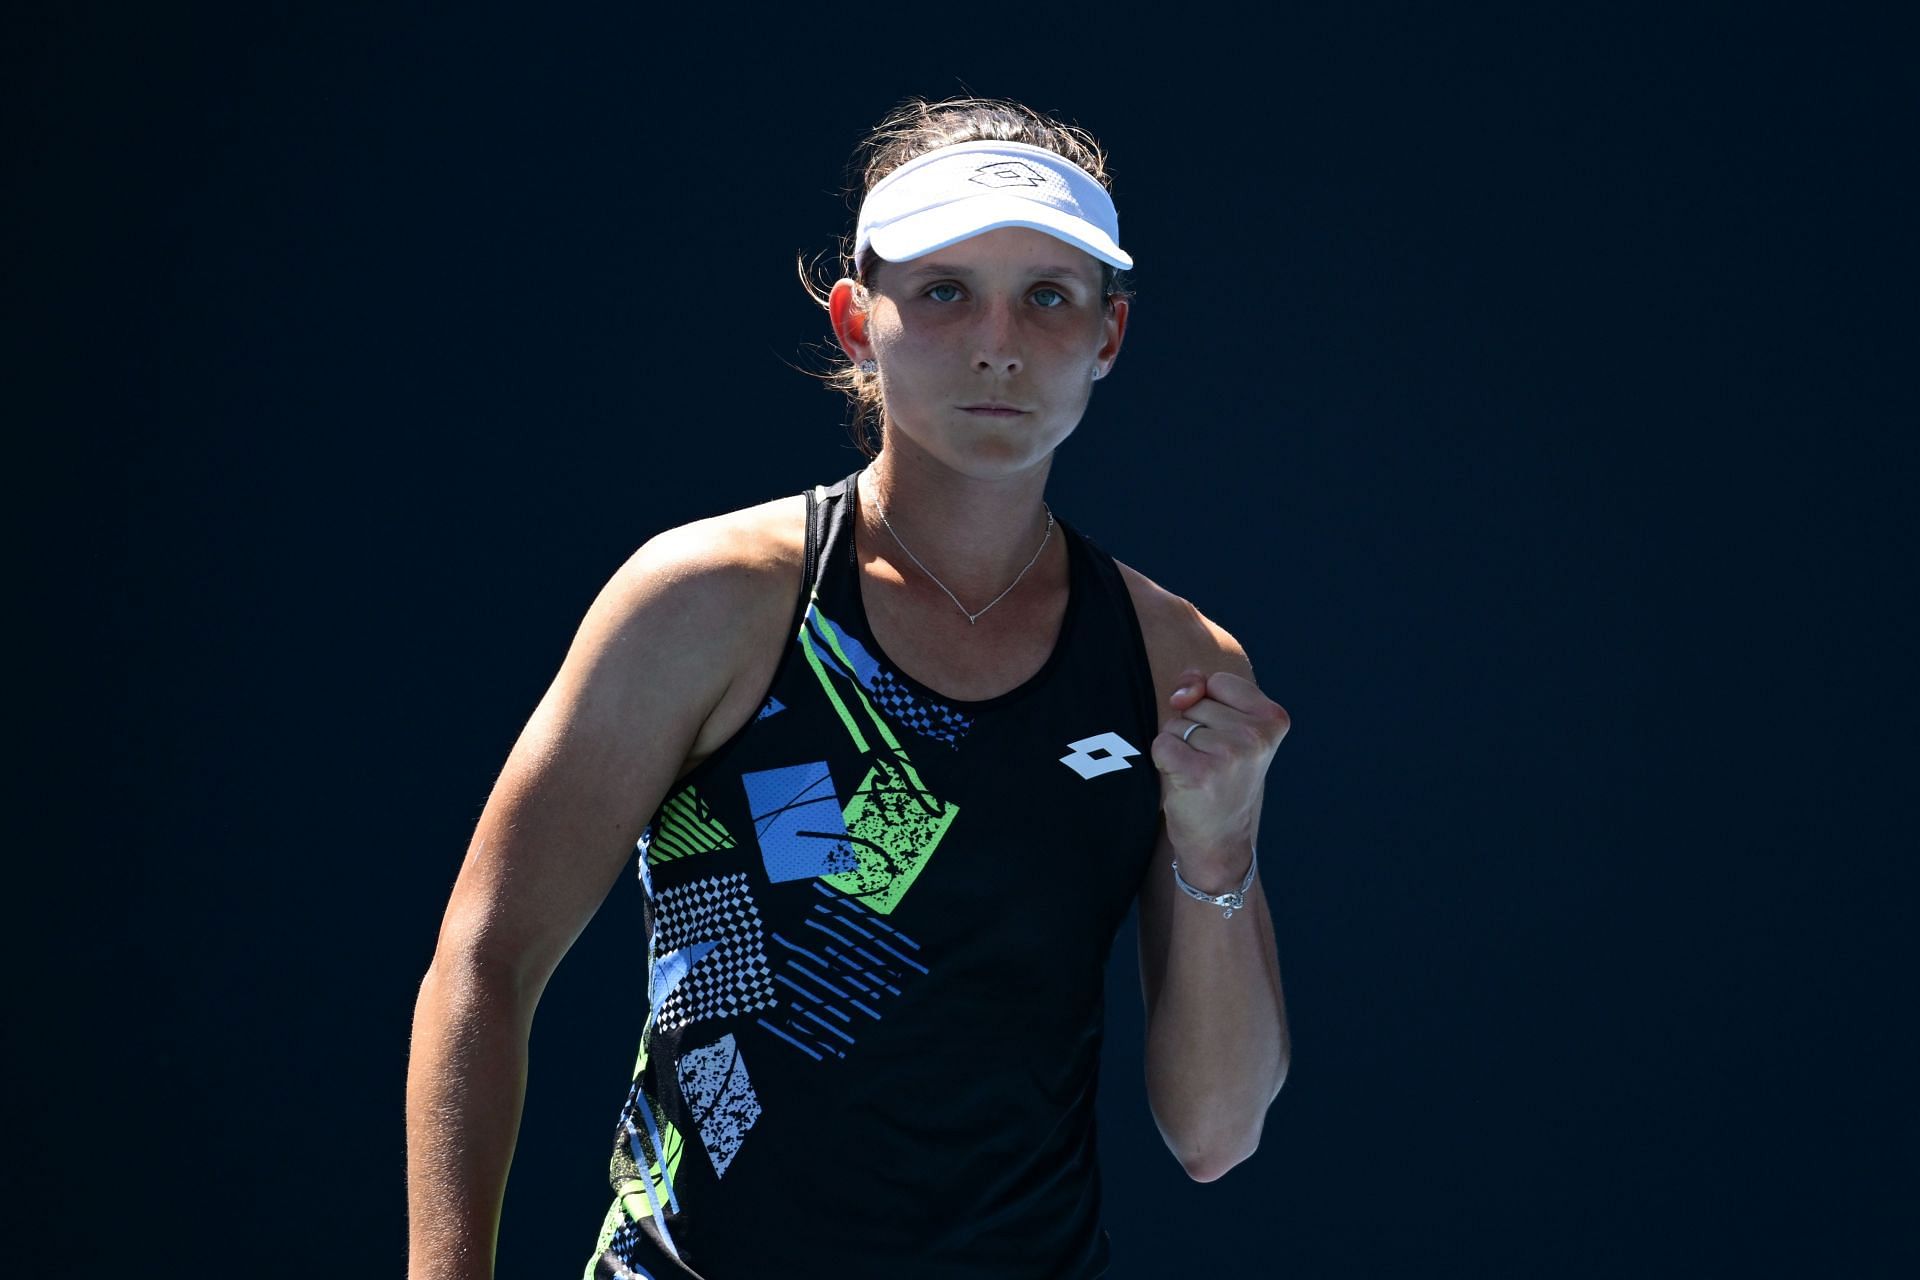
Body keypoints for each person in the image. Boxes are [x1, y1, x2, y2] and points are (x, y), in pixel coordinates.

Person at [405, 96, 1292, 1280]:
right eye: (942, 291)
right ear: (855, 322)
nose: (999, 341)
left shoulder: (1179, 666)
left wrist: (1219, 848)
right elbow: (486, 957)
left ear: (1108, 335)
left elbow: (1216, 1133)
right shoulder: (710, 600)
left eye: (1048, 296)